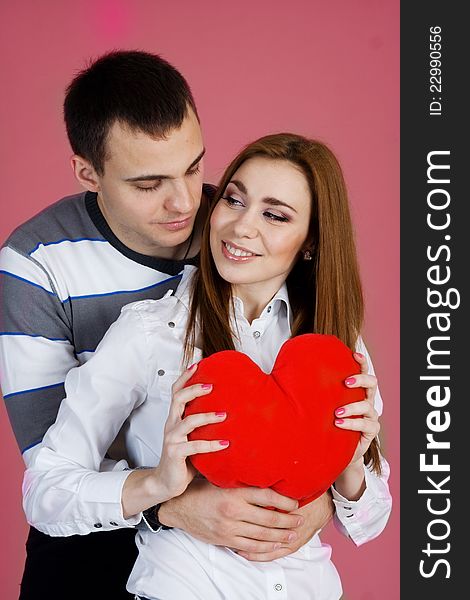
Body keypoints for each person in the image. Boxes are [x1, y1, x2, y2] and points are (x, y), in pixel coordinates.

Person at [0, 51, 333, 599]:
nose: (184, 202)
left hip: (224, 561)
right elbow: (52, 467)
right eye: (148, 183)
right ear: (88, 172)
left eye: (195, 167)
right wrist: (172, 508)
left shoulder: (236, 229)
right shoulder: (36, 262)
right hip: (91, 550)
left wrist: (317, 494)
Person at [23, 133, 392, 600]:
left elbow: (373, 519)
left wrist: (352, 468)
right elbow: (45, 493)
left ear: (311, 241)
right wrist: (159, 489)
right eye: (234, 200)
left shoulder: (338, 349)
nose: (240, 227)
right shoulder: (151, 333)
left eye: (274, 215)